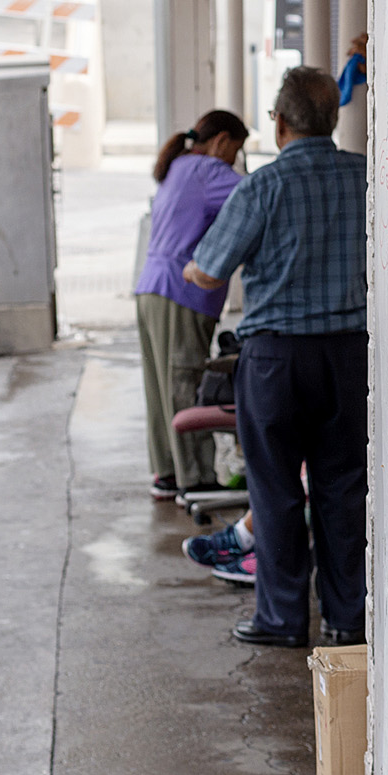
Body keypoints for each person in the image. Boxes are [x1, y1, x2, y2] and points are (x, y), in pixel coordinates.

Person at [185, 67, 368, 649]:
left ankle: (283, 619)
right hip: (351, 355)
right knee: (343, 489)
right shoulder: (366, 178)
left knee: (276, 490)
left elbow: (208, 269)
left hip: (276, 362)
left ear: (280, 123)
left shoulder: (261, 187)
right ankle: (348, 620)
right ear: (333, 119)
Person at [137, 109, 250, 503]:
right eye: (234, 151)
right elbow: (259, 196)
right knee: (184, 382)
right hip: (181, 292)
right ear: (220, 142)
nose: (233, 161)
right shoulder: (208, 170)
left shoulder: (179, 166)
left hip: (150, 287)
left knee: (160, 386)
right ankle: (197, 478)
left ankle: (168, 473)